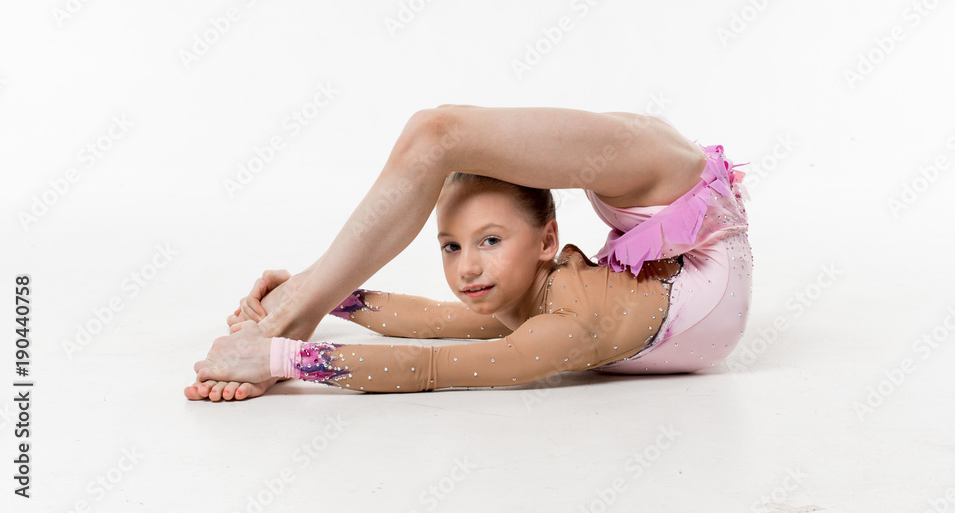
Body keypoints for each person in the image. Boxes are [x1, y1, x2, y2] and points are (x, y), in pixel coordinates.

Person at [184, 105, 752, 400]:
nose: (468, 268)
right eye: (451, 246)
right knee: (434, 134)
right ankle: (302, 302)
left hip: (675, 187)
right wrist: (340, 301)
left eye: (490, 240)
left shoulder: (567, 325)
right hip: (682, 214)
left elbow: (430, 367)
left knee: (436, 132)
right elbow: (432, 320)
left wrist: (281, 357)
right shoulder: (529, 299)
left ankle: (298, 308)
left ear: (547, 242)